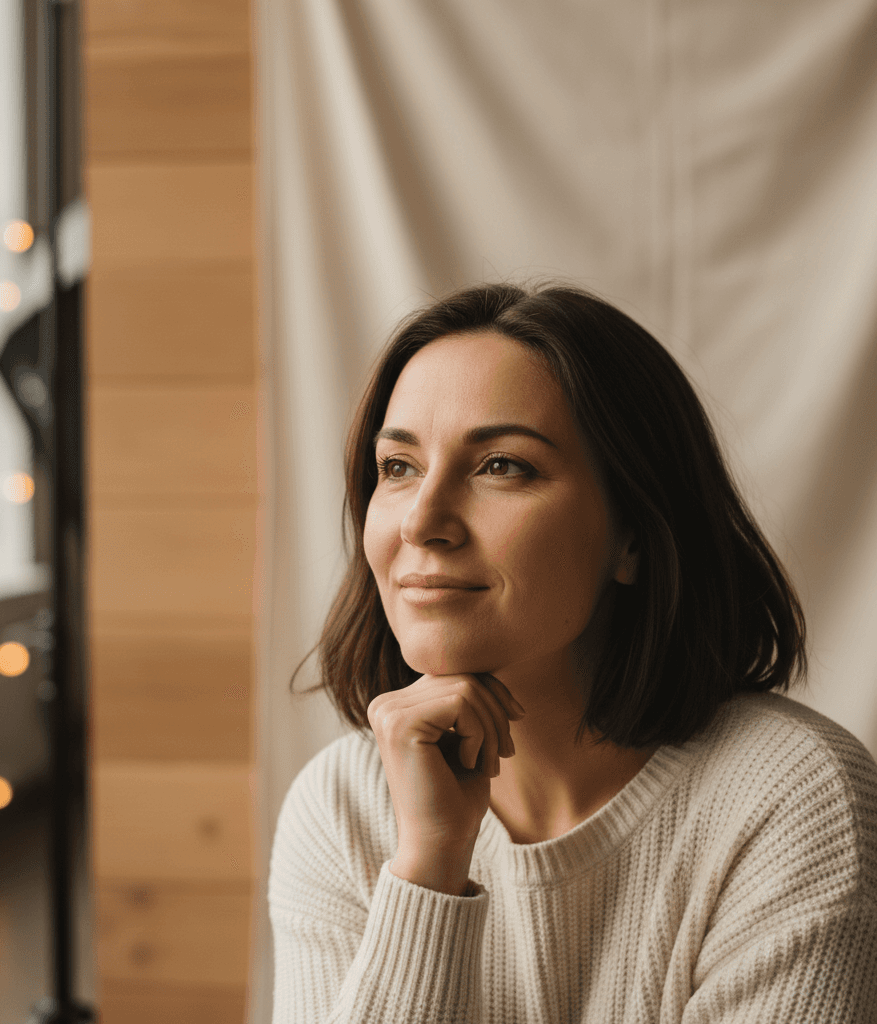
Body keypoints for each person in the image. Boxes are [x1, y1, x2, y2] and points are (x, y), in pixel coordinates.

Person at [268, 283, 877, 1023]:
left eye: (502, 466)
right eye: (398, 467)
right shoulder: (341, 809)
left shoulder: (795, 798)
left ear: (633, 534)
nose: (422, 521)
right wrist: (429, 865)